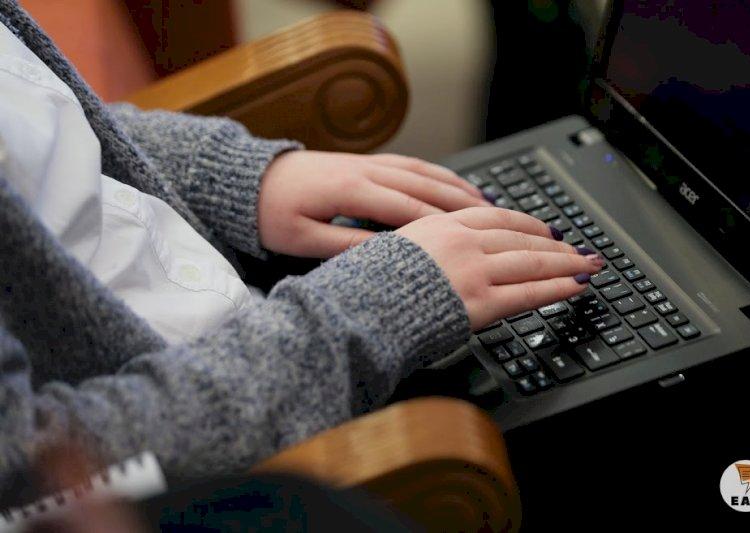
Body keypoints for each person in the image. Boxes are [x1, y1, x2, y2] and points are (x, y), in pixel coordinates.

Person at [0, 0, 604, 495]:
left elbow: (35, 119)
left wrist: (241, 176)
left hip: (267, 339)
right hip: (252, 456)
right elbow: (34, 478)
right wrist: (371, 309)